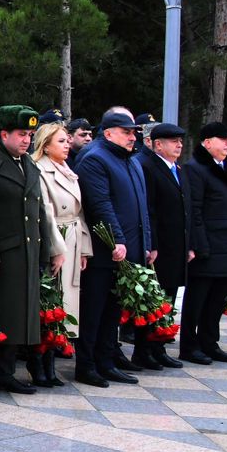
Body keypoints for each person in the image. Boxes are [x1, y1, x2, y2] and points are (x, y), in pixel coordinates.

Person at [0, 105, 55, 398]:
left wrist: (44, 251)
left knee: (18, 316)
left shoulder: (27, 163)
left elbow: (38, 212)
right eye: (20, 134)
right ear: (3, 134)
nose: (26, 140)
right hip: (2, 255)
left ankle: (4, 373)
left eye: (29, 135)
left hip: (26, 252)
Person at [75, 110, 152, 387]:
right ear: (108, 133)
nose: (132, 137)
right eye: (126, 132)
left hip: (128, 249)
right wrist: (117, 239)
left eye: (133, 133)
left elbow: (141, 207)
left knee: (113, 312)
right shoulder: (95, 158)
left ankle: (106, 362)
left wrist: (146, 243)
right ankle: (86, 365)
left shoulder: (130, 159)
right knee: (94, 311)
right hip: (104, 250)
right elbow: (101, 205)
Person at [33, 120, 91, 385]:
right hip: (55, 239)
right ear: (45, 146)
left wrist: (84, 249)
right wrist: (57, 249)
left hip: (73, 237)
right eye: (61, 141)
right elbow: (45, 213)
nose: (67, 145)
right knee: (49, 302)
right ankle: (39, 363)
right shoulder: (40, 170)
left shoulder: (68, 169)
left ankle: (51, 363)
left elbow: (79, 213)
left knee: (63, 304)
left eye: (68, 140)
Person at [182, 123, 227, 365]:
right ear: (207, 142)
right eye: (223, 138)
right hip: (207, 247)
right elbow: (194, 210)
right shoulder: (195, 169)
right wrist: (199, 245)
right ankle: (189, 345)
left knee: (217, 299)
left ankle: (209, 342)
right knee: (197, 300)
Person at [135, 123, 191, 370]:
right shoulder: (148, 167)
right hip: (160, 248)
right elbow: (150, 210)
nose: (179, 145)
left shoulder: (177, 168)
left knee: (167, 298)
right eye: (173, 141)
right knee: (152, 299)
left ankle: (159, 347)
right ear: (158, 144)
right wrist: (152, 244)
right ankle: (144, 350)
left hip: (176, 246)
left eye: (180, 141)